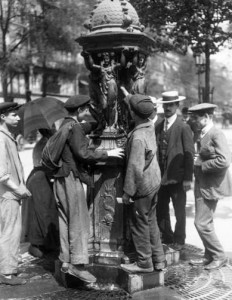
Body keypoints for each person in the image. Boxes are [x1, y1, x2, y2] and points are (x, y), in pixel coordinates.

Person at [53, 95, 124, 284]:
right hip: (71, 178)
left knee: (65, 221)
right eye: (86, 109)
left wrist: (95, 124)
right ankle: (78, 265)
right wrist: (107, 152)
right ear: (81, 110)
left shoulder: (65, 125)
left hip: (59, 179)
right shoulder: (74, 128)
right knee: (79, 221)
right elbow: (83, 153)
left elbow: (83, 128)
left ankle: (66, 261)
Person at [120, 94, 165, 273]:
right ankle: (159, 260)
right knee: (151, 221)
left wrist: (127, 193)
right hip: (154, 182)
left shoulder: (138, 137)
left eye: (130, 109)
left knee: (139, 224)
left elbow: (135, 168)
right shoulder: (149, 126)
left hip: (143, 187)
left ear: (133, 113)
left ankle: (144, 263)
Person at [188, 103, 232, 270]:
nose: (193, 120)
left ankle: (219, 256)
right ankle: (209, 255)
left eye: (196, 118)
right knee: (206, 222)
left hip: (211, 185)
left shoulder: (216, 134)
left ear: (206, 118)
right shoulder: (202, 133)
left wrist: (201, 163)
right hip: (202, 183)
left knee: (201, 223)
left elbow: (224, 160)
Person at [155, 91, 195, 250]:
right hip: (161, 177)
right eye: (165, 105)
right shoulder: (158, 126)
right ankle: (167, 236)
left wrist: (187, 178)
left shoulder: (183, 127)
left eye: (171, 105)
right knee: (161, 209)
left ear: (177, 106)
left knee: (179, 211)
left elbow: (189, 154)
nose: (168, 108)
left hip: (178, 178)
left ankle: (179, 240)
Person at [0, 102, 31, 285]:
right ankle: (7, 273)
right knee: (10, 232)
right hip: (8, 194)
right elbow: (1, 173)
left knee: (6, 230)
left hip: (6, 193)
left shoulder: (7, 136)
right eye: (13, 115)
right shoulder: (1, 139)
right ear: (2, 117)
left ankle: (5, 268)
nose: (18, 118)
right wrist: (17, 188)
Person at [26, 128, 59, 258]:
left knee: (41, 212)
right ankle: (41, 244)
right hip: (41, 179)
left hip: (39, 177)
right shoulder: (46, 142)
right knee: (44, 212)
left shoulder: (44, 142)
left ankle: (42, 244)